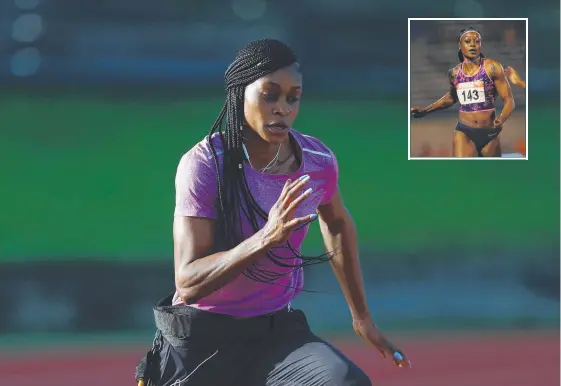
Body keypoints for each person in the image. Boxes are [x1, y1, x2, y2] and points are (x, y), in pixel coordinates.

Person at [135, 38, 410, 386]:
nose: (283, 108)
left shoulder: (317, 162)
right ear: (240, 94)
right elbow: (188, 283)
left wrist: (362, 318)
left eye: (293, 97)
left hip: (275, 334)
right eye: (270, 95)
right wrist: (267, 235)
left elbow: (337, 222)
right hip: (201, 340)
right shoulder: (205, 164)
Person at [411, 27, 516, 157]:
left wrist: (501, 118)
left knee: (490, 174)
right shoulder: (454, 73)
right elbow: (451, 97)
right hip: (465, 131)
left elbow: (509, 100)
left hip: (489, 132)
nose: (472, 44)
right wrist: (426, 110)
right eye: (467, 41)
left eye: (477, 41)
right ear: (460, 46)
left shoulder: (492, 67)